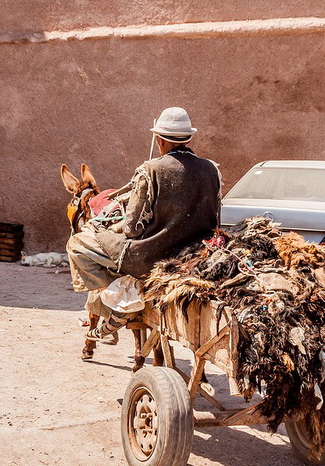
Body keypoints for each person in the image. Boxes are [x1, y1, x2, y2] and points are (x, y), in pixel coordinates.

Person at [66, 107, 222, 355]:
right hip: (195, 256)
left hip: (151, 256)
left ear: (159, 140)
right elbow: (215, 218)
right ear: (188, 139)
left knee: (77, 244)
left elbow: (131, 228)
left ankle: (121, 298)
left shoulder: (150, 170)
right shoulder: (212, 169)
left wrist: (112, 228)